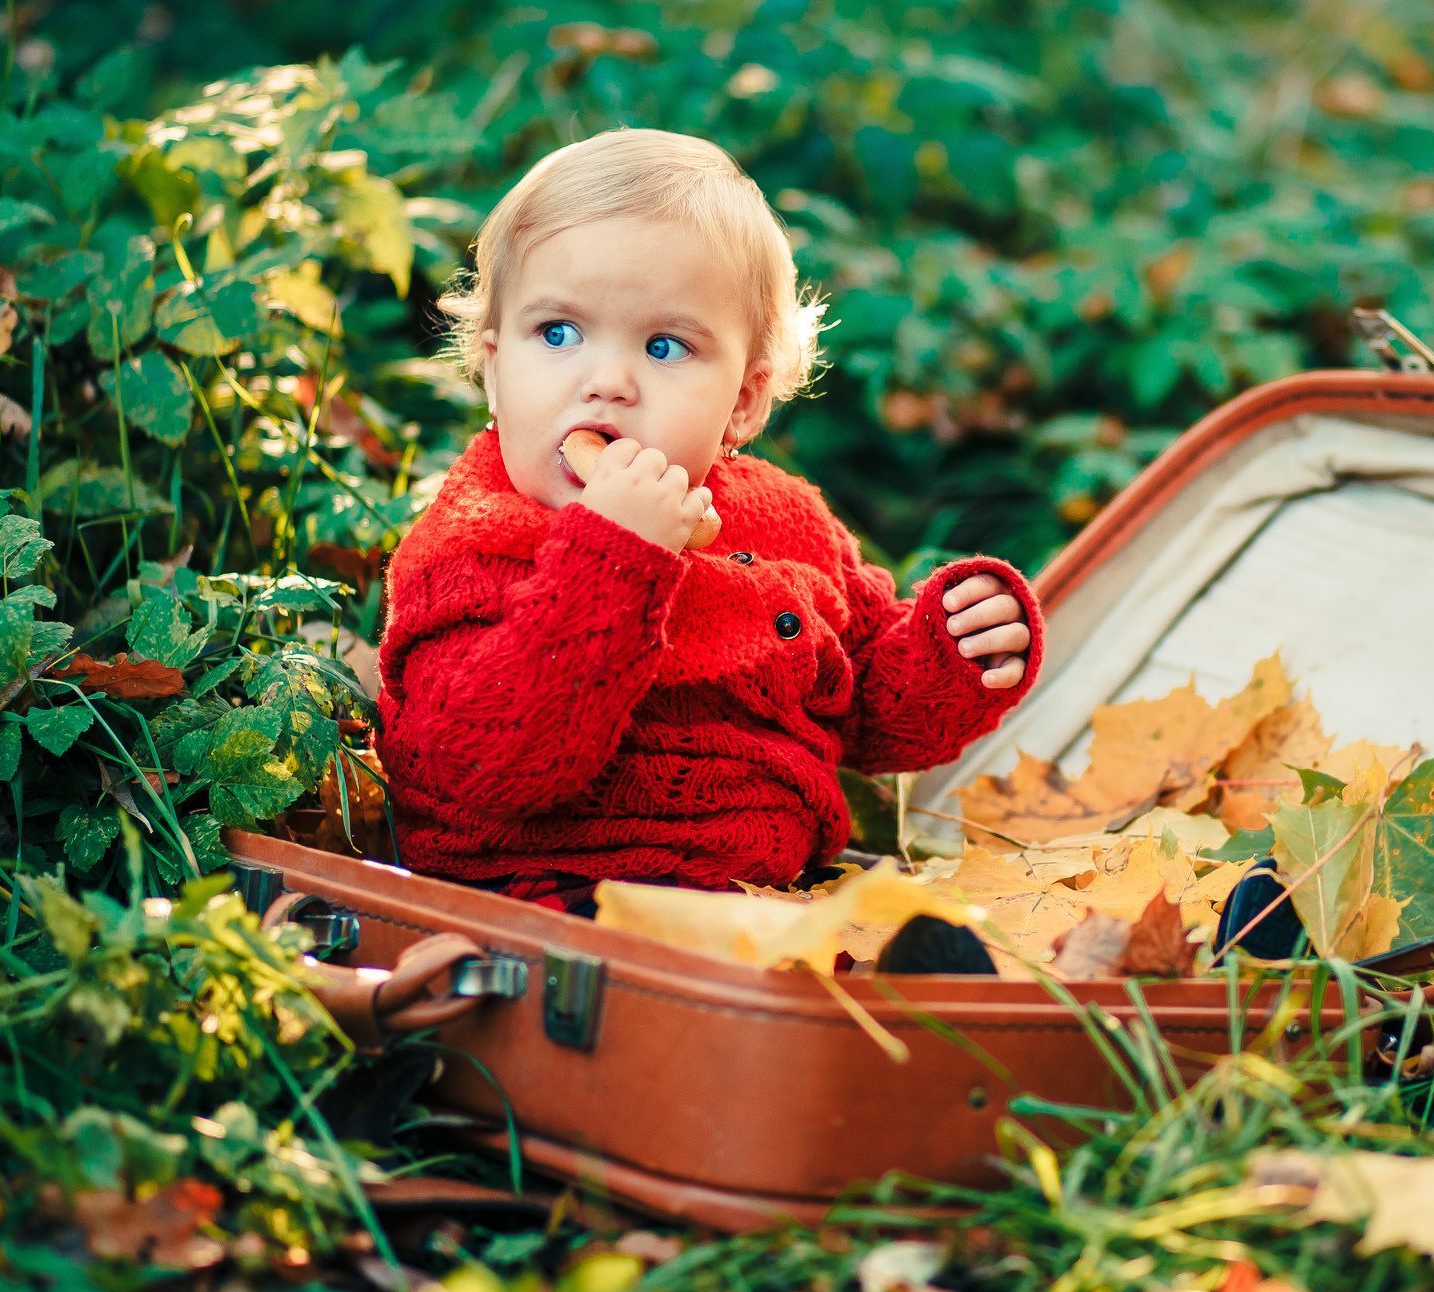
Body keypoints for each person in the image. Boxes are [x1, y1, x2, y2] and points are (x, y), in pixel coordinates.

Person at [376, 128, 1042, 917]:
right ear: (493, 369)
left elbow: (867, 705)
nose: (608, 381)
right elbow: (491, 765)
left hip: (766, 890)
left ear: (744, 403)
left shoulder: (784, 519)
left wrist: (953, 649)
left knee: (937, 930)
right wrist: (614, 556)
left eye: (664, 346)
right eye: (559, 333)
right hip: (549, 896)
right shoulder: (472, 545)